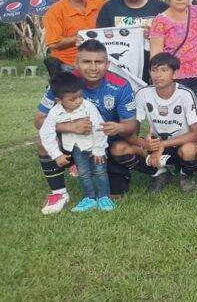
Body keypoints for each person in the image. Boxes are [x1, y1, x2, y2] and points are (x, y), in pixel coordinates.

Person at [35, 40, 141, 213]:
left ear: (107, 64)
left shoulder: (121, 85)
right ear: (76, 63)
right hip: (74, 140)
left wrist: (119, 128)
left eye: (98, 62)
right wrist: (70, 126)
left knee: (116, 193)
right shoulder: (63, 83)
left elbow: (131, 125)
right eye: (86, 62)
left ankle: (115, 174)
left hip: (105, 143)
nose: (93, 67)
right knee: (43, 143)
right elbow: (39, 120)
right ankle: (59, 193)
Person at [38, 72, 114, 213]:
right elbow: (45, 133)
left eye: (80, 95)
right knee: (84, 173)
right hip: (77, 148)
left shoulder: (88, 107)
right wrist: (56, 155)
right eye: (73, 99)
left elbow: (99, 127)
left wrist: (98, 149)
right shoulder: (54, 113)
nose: (78, 100)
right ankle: (90, 198)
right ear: (59, 100)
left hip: (95, 146)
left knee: (100, 172)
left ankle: (104, 197)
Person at [132, 53, 197, 193]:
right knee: (121, 148)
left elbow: (196, 134)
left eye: (164, 70)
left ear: (175, 73)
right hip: (156, 144)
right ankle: (160, 172)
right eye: (154, 70)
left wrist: (162, 145)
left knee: (189, 151)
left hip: (182, 143)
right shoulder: (142, 93)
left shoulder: (186, 94)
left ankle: (186, 174)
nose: (158, 75)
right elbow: (134, 126)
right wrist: (143, 143)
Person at [149, 0, 197, 105]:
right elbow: (156, 55)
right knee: (180, 117)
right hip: (177, 77)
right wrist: (160, 79)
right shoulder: (160, 21)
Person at [43, 0, 107, 74]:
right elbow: (53, 43)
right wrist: (79, 38)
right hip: (68, 65)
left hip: (100, 62)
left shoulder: (102, 3)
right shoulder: (55, 11)